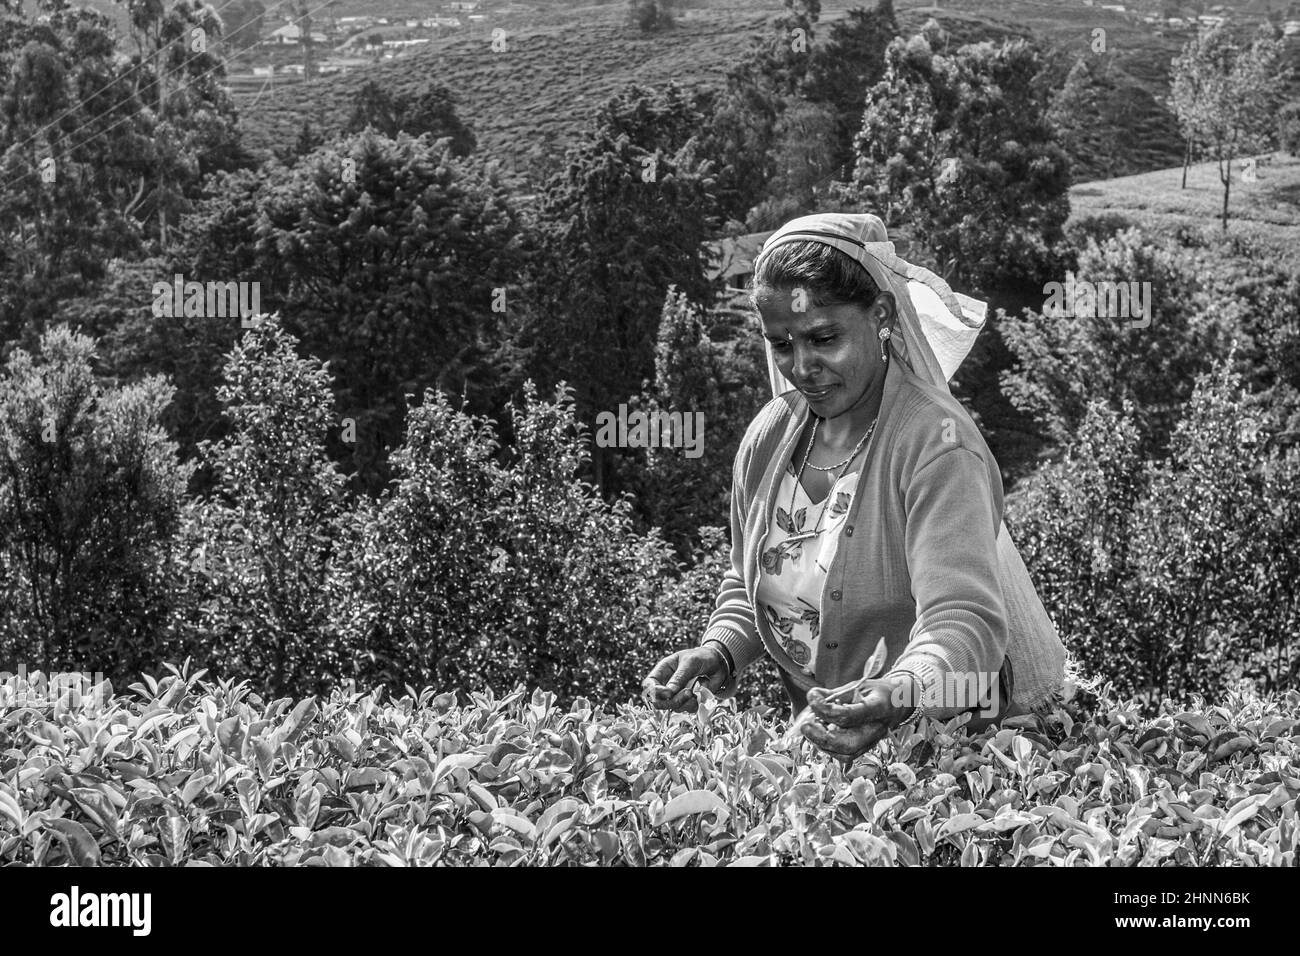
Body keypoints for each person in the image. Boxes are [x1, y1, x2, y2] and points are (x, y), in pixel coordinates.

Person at [642, 212, 1067, 761]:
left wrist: (898, 691)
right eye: (782, 344)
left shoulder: (936, 446)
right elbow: (756, 573)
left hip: (949, 759)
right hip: (828, 754)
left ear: (882, 315)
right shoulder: (770, 437)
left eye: (824, 338)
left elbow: (963, 620)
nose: (802, 367)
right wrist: (719, 649)